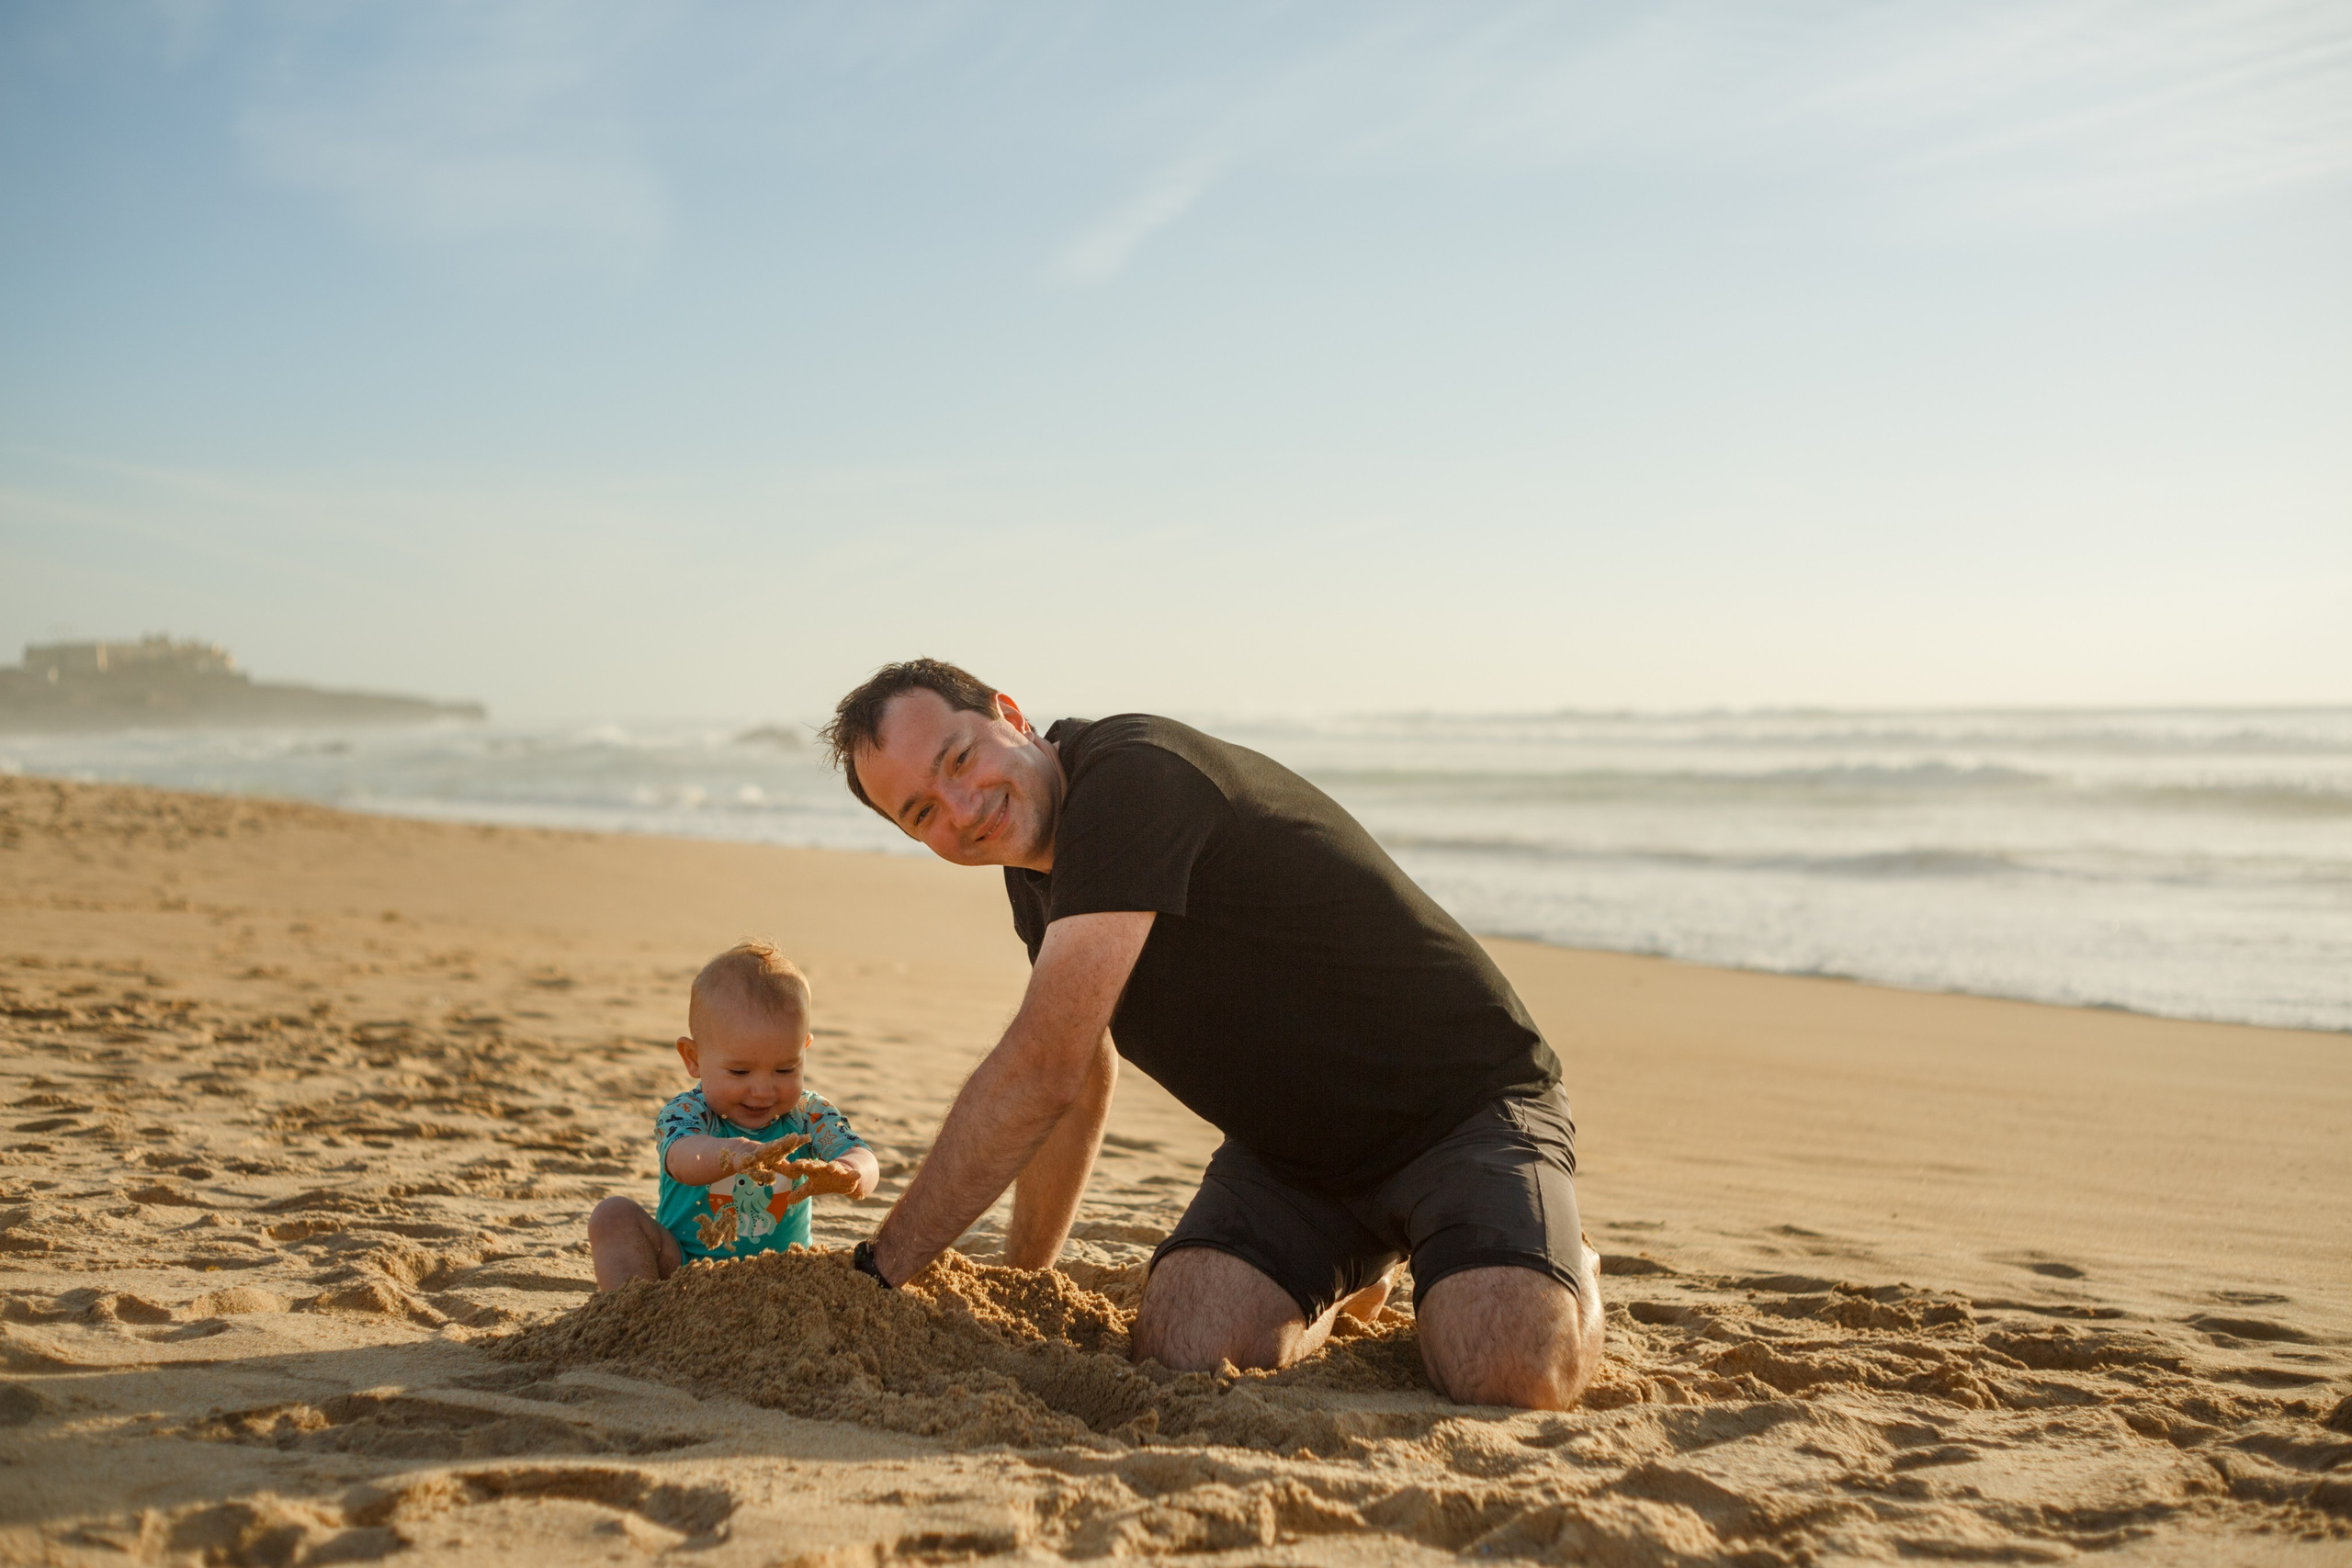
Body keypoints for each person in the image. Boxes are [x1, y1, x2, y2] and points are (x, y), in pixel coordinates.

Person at [820, 659, 1604, 1408]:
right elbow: (1082, 1071)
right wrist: (1026, 1280)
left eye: (958, 759)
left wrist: (879, 1270)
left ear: (1012, 716)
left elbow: (1041, 1067)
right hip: (1294, 1159)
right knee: (1184, 1352)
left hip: (1461, 1107)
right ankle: (1363, 1269)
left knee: (1504, 1367)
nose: (960, 808)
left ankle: (1568, 1262)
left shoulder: (1133, 775)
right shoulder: (1035, 869)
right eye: (921, 811)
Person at [588, 940, 879, 1290]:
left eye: (785, 1070)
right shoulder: (688, 1112)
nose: (763, 1090)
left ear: (804, 1050)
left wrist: (850, 1173)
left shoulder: (807, 1114)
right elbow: (681, 1157)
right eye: (740, 1073)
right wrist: (732, 1154)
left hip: (783, 1279)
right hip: (683, 1273)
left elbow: (863, 1157)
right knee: (611, 1215)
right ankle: (630, 1314)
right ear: (693, 1058)